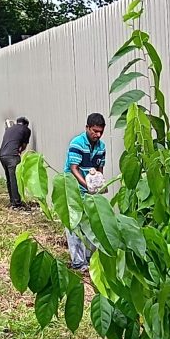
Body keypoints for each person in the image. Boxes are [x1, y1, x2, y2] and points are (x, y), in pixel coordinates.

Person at [63, 113, 106, 270]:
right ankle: (78, 262)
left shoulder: (101, 147)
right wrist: (86, 185)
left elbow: (100, 168)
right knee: (74, 224)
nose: (97, 134)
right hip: (74, 190)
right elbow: (74, 169)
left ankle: (89, 258)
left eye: (100, 131)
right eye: (94, 131)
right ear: (87, 128)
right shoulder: (77, 143)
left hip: (90, 192)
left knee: (90, 223)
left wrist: (99, 184)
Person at [0, 117, 32, 209]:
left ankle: (12, 201)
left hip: (2, 156)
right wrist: (20, 151)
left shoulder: (9, 129)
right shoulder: (26, 129)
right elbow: (24, 145)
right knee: (15, 179)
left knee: (9, 179)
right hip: (12, 156)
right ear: (26, 124)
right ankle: (17, 203)